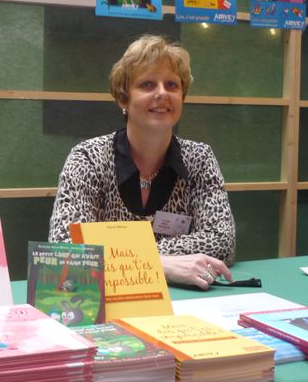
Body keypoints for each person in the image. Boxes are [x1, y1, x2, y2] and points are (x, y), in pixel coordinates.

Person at [49, 34, 235, 290]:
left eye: (172, 85)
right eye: (147, 84)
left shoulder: (199, 158)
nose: (162, 93)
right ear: (123, 99)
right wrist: (160, 264)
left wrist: (121, 257)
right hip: (108, 301)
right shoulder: (88, 158)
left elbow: (221, 240)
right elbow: (66, 248)